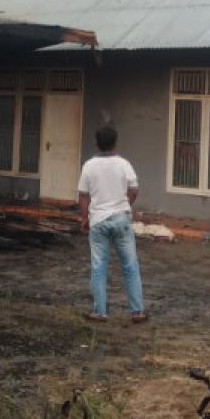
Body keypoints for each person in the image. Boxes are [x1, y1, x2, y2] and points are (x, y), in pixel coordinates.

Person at [78, 125, 146, 323]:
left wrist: (85, 217)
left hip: (98, 221)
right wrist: (125, 205)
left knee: (99, 267)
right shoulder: (124, 164)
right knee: (130, 265)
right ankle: (137, 312)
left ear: (96, 143)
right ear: (115, 142)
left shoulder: (89, 165)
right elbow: (134, 189)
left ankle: (99, 312)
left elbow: (83, 195)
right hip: (121, 219)